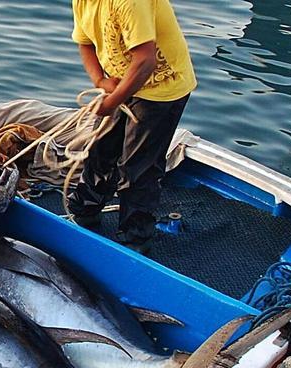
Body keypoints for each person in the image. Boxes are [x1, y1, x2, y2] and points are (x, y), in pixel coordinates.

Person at [67, 0, 196, 253]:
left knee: (138, 167)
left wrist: (111, 102)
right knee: (101, 147)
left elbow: (145, 61)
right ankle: (85, 211)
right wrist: (101, 81)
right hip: (123, 82)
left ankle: (135, 239)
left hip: (162, 88)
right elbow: (85, 43)